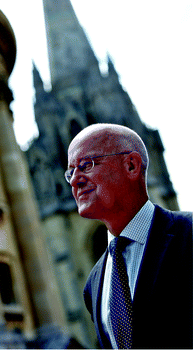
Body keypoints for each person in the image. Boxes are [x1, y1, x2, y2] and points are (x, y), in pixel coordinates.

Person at [65, 123, 192, 349]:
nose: (75, 179)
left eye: (86, 165)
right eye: (71, 171)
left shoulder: (188, 233)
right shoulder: (94, 284)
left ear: (131, 165)